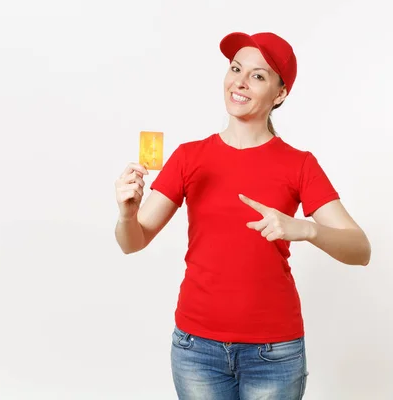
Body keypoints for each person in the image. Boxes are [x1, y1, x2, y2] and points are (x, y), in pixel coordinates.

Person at [114, 31, 371, 400]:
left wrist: (305, 229)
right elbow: (132, 243)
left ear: (280, 94)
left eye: (258, 75)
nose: (240, 81)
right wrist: (127, 214)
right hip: (196, 349)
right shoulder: (189, 157)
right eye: (236, 68)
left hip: (274, 353)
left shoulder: (299, 165)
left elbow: (360, 250)